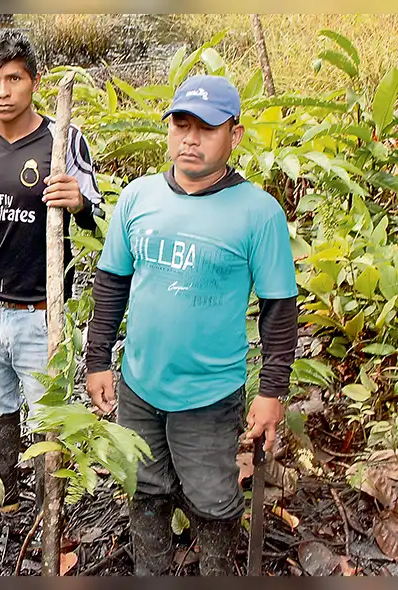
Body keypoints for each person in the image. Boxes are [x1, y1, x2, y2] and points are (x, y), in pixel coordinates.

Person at [84, 75, 299, 576]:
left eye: (206, 128)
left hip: (210, 393)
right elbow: (112, 282)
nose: (190, 139)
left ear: (236, 136)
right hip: (139, 384)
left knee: (213, 498)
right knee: (144, 487)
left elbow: (279, 311)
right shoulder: (138, 199)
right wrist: (97, 360)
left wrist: (272, 392)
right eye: (181, 125)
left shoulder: (258, 213)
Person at [0, 29, 103, 523]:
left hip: (42, 312)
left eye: (13, 78)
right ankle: (1, 491)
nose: (3, 92)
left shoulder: (63, 140)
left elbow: (97, 214)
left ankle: (56, 504)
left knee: (50, 413)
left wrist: (80, 202)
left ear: (34, 81)